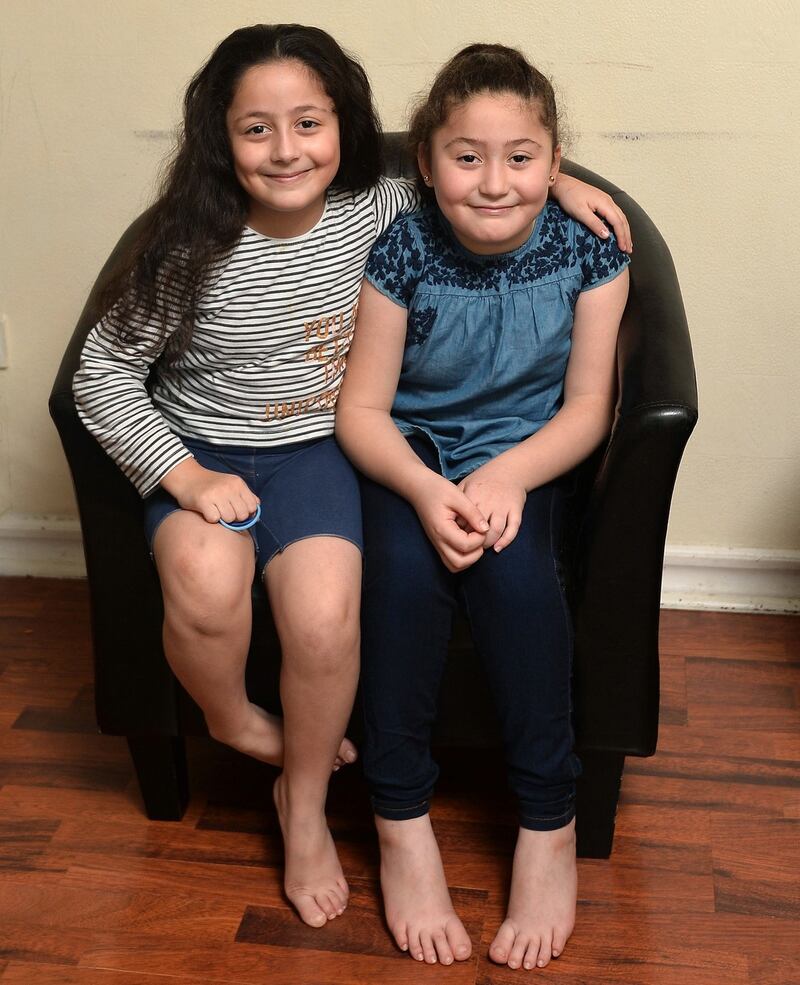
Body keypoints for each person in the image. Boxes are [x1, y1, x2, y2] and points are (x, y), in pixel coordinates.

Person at [73, 24, 630, 932]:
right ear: (219, 137)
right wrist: (180, 473)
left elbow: (479, 167)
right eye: (257, 129)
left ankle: (337, 807)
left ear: (347, 131)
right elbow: (99, 372)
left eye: (309, 124)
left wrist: (562, 179)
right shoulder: (191, 246)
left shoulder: (374, 209)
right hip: (218, 456)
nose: (288, 150)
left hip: (320, 453)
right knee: (216, 584)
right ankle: (244, 729)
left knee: (332, 611)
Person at [336, 43, 630, 970]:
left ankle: (548, 823)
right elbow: (363, 410)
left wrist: (508, 477)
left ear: (553, 161)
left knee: (519, 591)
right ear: (426, 163)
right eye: (467, 158)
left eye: (521, 157)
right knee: (400, 586)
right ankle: (399, 819)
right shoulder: (402, 245)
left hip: (525, 460)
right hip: (410, 459)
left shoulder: (593, 251)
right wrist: (425, 490)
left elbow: (589, 406)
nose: (494, 182)